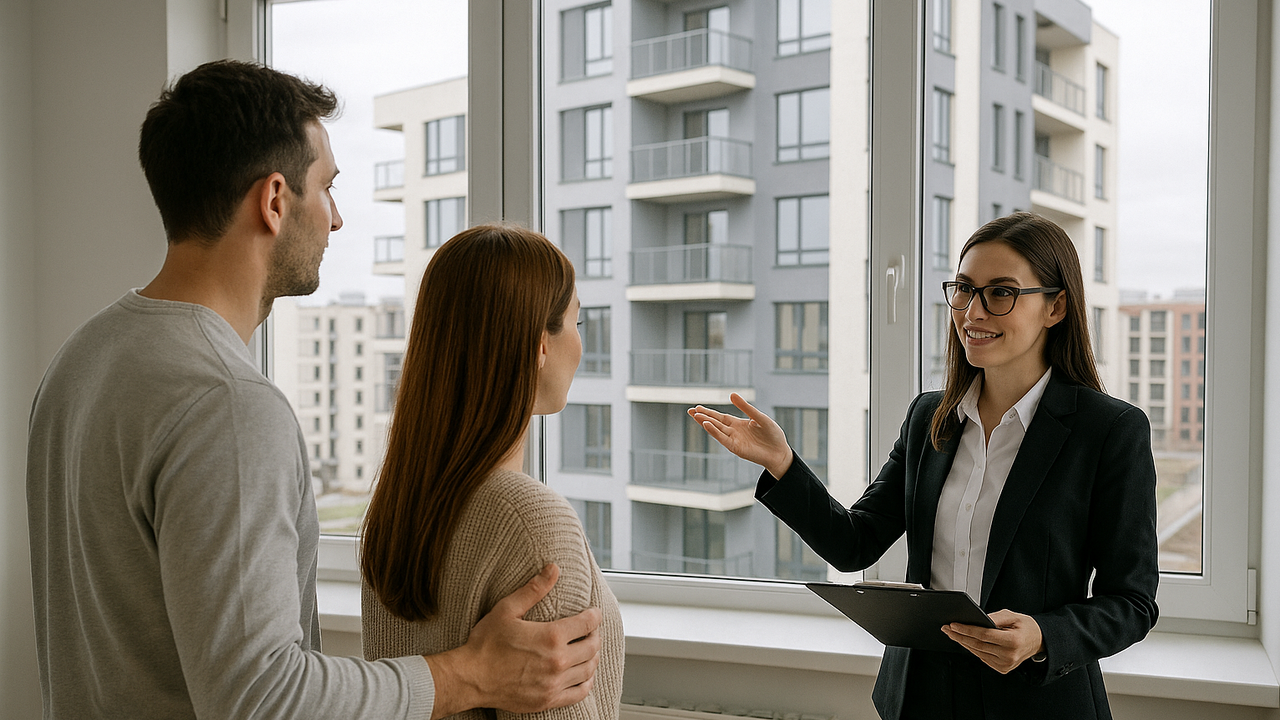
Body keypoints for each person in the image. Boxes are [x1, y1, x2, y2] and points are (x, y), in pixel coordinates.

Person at [25, 60, 600, 720]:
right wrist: (469, 676)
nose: (337, 219)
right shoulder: (227, 404)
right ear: (274, 201)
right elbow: (261, 700)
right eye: (327, 187)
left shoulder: (80, 361)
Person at [689, 212, 1159, 720]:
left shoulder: (1109, 431)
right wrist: (782, 463)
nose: (973, 312)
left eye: (1000, 293)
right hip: (919, 698)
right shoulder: (929, 419)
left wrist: (1044, 635)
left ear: (1055, 306)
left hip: (1037, 703)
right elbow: (854, 544)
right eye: (964, 289)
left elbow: (1131, 601)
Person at [360, 224, 624, 720]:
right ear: (539, 346)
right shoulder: (532, 522)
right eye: (576, 323)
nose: (580, 344)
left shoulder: (399, 505)